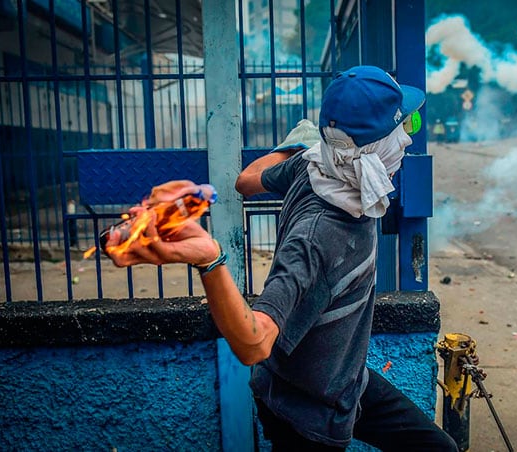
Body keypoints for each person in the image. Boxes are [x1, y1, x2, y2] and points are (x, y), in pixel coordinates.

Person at [105, 65, 458, 451]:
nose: (408, 141)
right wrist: (210, 259)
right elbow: (253, 343)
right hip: (304, 411)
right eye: (403, 128)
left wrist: (296, 146)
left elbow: (246, 181)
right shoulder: (318, 237)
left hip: (347, 383)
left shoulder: (314, 166)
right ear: (374, 149)